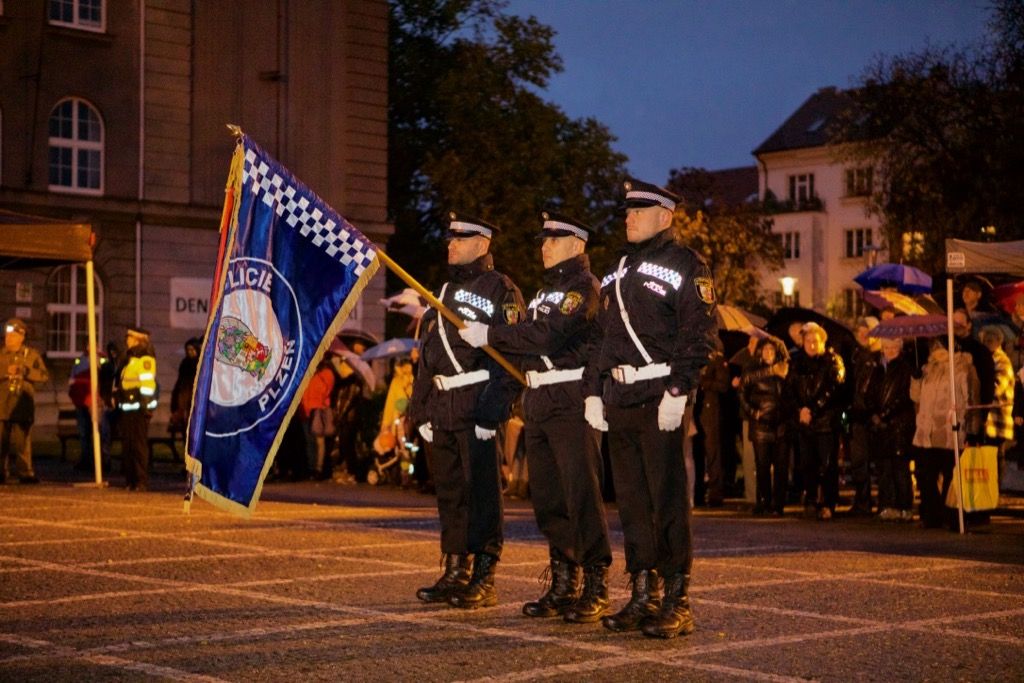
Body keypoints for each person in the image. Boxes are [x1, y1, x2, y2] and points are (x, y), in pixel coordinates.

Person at [459, 211, 612, 624]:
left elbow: (547, 335)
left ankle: (596, 583)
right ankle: (564, 582)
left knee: (580, 494)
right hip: (540, 398)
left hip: (571, 396)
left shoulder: (583, 289)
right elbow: (526, 342)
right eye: (543, 239)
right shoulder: (546, 293)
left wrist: (490, 334)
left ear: (577, 245)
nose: (544, 246)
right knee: (548, 499)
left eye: (554, 239)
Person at [584, 179, 716, 639]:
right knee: (634, 504)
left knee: (668, 503)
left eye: (638, 211)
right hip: (620, 398)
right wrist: (595, 390)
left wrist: (679, 392)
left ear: (665, 216)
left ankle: (677, 600)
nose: (629, 218)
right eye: (627, 212)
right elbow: (604, 337)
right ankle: (644, 594)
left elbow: (698, 334)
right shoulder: (617, 268)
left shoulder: (686, 264)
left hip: (661, 394)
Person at [409, 211, 524, 610]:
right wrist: (420, 410)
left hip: (477, 405)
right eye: (450, 238)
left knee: (482, 496)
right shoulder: (443, 290)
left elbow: (511, 358)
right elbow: (428, 354)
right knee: (451, 495)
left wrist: (492, 413)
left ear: (482, 244)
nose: (451, 244)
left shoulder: (500, 290)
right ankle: (455, 568)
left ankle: (483, 576)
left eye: (461, 239)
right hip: (442, 407)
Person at [911, 338, 979, 529]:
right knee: (927, 477)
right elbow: (915, 397)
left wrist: (972, 431)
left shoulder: (962, 368)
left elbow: (971, 400)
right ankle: (932, 515)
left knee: (951, 478)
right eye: (934, 348)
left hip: (950, 432)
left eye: (940, 347)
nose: (936, 351)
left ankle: (951, 516)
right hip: (927, 432)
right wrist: (916, 379)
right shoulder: (927, 369)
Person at [786, 322, 845, 521]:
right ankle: (811, 500)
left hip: (826, 421)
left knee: (828, 465)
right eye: (808, 341)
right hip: (805, 422)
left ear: (822, 342)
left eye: (815, 341)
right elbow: (790, 389)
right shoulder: (796, 363)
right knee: (807, 464)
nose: (811, 344)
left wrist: (813, 409)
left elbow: (833, 389)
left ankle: (829, 502)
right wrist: (800, 410)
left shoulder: (832, 361)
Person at [739, 336, 790, 515]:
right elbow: (743, 392)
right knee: (762, 465)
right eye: (766, 350)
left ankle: (778, 504)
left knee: (781, 466)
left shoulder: (784, 368)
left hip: (781, 424)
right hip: (761, 424)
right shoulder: (753, 368)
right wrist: (754, 413)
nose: (769, 353)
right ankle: (763, 501)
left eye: (772, 350)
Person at [869, 337, 916, 522]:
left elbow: (905, 396)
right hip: (881, 426)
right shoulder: (878, 369)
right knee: (884, 468)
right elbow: (871, 392)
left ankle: (904, 506)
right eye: (886, 347)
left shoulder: (905, 368)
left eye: (893, 347)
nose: (889, 351)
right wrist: (874, 413)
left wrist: (885, 414)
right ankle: (886, 504)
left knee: (900, 468)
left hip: (899, 425)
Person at [0, 319, 48, 484]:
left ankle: (25, 473)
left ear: (21, 337)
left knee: (23, 443)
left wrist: (26, 371)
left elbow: (43, 376)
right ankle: (1, 472)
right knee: (1, 442)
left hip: (22, 406)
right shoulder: (1, 355)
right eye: (7, 335)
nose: (9, 338)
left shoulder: (31, 355)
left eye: (13, 336)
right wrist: (5, 372)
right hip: (2, 405)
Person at [114, 326, 157, 491]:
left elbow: (147, 384)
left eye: (130, 338)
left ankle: (140, 480)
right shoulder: (129, 358)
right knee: (128, 445)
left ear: (138, 340)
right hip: (127, 407)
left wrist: (146, 407)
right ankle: (130, 480)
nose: (127, 340)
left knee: (138, 446)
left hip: (139, 409)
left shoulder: (145, 359)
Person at [848, 317, 882, 515]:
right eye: (860, 330)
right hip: (857, 416)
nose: (863, 334)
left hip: (874, 416)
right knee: (858, 461)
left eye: (867, 330)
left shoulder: (880, 358)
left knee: (877, 462)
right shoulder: (853, 356)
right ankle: (863, 500)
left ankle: (883, 501)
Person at [693, 340, 730, 507]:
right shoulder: (694, 357)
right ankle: (698, 492)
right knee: (697, 452)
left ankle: (716, 493)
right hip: (696, 409)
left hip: (710, 409)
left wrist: (703, 382)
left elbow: (723, 385)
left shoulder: (717, 359)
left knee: (712, 451)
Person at [169, 336, 202, 440]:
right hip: (185, 398)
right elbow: (180, 382)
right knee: (186, 428)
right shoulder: (185, 363)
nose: (190, 352)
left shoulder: (201, 363)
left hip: (196, 400)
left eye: (192, 349)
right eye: (188, 350)